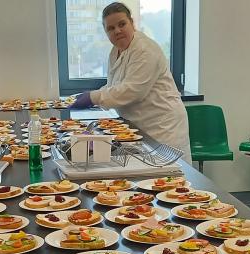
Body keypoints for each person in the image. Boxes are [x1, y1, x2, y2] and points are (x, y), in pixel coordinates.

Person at [70, 2, 191, 162]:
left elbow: (132, 91)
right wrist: (90, 96)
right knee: (144, 172)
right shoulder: (115, 51)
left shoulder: (145, 49)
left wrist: (93, 97)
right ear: (106, 32)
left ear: (132, 23)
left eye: (122, 24)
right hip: (139, 126)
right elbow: (115, 86)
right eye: (111, 28)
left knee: (169, 173)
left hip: (162, 127)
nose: (117, 31)